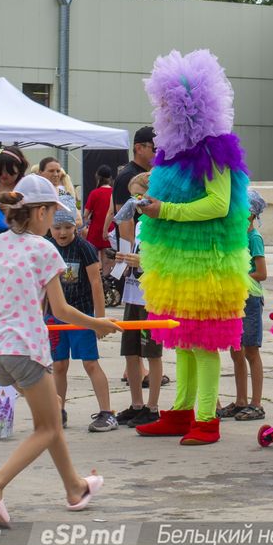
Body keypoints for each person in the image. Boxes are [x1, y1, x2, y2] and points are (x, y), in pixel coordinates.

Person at [0, 180, 121, 525]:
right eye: (53, 214)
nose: (54, 222)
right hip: (25, 349)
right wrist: (97, 323)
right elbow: (60, 310)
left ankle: (74, 487)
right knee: (46, 426)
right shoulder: (44, 250)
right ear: (40, 211)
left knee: (52, 413)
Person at [133, 50, 251, 447]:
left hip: (207, 262)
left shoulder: (214, 150)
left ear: (192, 107)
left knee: (202, 341)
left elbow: (218, 203)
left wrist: (165, 209)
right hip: (177, 262)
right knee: (181, 339)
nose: (163, 111)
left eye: (170, 104)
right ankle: (181, 412)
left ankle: (206, 419)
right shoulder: (172, 153)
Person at [46, 203, 117, 432]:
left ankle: (107, 413)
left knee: (89, 363)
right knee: (58, 365)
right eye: (57, 227)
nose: (63, 232)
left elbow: (96, 283)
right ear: (50, 227)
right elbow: (42, 286)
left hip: (82, 315)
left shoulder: (84, 248)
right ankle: (58, 411)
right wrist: (40, 317)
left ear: (75, 227)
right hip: (55, 317)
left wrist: (100, 320)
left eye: (68, 227)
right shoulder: (47, 248)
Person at [111, 171, 163, 427]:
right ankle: (136, 404)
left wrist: (141, 261)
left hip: (151, 298)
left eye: (140, 197)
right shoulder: (140, 225)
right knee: (131, 352)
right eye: (133, 197)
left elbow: (167, 262)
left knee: (152, 353)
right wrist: (123, 258)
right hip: (133, 293)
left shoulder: (162, 227)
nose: (136, 203)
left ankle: (152, 407)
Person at [221, 191, 268, 421]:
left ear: (251, 213)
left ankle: (256, 402)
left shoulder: (253, 238)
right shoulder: (235, 236)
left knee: (251, 350)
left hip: (249, 298)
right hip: (233, 298)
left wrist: (239, 275)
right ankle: (240, 400)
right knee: (235, 349)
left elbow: (262, 273)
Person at [83, 165, 115, 265]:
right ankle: (107, 278)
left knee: (93, 259)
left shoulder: (94, 193)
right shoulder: (114, 192)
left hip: (95, 230)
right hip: (110, 229)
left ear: (98, 177)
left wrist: (88, 221)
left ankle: (96, 278)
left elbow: (85, 214)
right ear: (110, 178)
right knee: (107, 258)